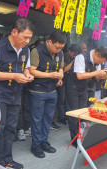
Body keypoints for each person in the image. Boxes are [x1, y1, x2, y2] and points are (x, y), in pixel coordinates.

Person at [0, 18, 35, 169]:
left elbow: (26, 67)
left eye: (30, 38)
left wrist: (27, 75)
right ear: (14, 32)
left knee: (11, 127)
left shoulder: (26, 50)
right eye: (25, 37)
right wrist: (13, 76)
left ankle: (8, 158)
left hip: (16, 93)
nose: (27, 41)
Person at [28, 30, 66, 158]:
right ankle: (36, 145)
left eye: (61, 48)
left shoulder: (59, 53)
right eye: (57, 47)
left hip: (52, 90)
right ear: (50, 42)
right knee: (37, 119)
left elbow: (60, 68)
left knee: (48, 119)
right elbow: (32, 71)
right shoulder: (36, 51)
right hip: (38, 90)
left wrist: (60, 77)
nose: (59, 50)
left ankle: (44, 141)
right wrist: (50, 75)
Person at [66, 46, 107, 147]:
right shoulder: (81, 57)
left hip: (84, 88)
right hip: (73, 87)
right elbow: (80, 75)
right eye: (100, 61)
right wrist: (97, 72)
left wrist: (103, 75)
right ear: (96, 54)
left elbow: (95, 76)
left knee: (82, 113)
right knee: (74, 113)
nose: (99, 63)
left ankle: (81, 136)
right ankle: (74, 140)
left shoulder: (97, 61)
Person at [56, 44, 82, 125]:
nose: (74, 55)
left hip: (70, 81)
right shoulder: (64, 56)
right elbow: (64, 69)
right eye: (73, 54)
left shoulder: (74, 57)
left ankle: (67, 116)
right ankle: (61, 117)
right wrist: (73, 62)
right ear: (69, 51)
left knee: (67, 100)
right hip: (62, 81)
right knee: (62, 99)